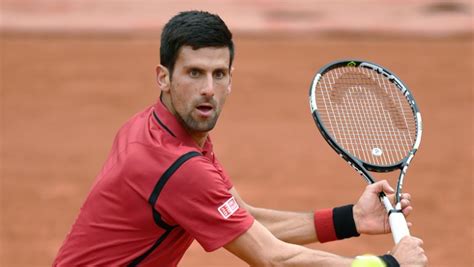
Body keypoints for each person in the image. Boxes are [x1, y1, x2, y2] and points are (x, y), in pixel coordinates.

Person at [53, 10, 427, 267]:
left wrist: (350, 219)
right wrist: (387, 263)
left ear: (231, 78)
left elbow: (243, 218)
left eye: (219, 74)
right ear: (163, 77)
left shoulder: (159, 130)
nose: (208, 90)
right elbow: (271, 257)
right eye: (194, 73)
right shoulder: (176, 165)